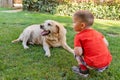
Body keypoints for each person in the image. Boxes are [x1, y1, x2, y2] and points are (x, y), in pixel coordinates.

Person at [72, 10, 112, 77]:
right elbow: (106, 44)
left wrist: (78, 50)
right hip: (106, 62)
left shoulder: (79, 36)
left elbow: (78, 52)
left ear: (82, 25)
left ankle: (83, 70)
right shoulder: (98, 33)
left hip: (93, 64)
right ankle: (102, 67)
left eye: (74, 22)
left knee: (75, 53)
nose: (72, 24)